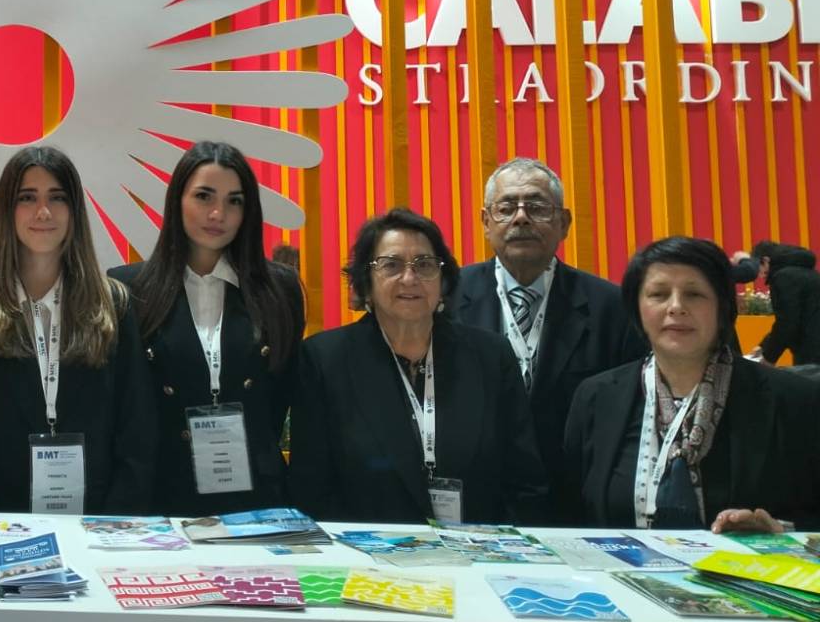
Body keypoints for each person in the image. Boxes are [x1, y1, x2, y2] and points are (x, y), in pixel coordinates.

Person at [287, 207, 549, 525]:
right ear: (366, 283)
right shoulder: (324, 360)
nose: (410, 278)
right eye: (391, 265)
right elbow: (312, 489)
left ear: (443, 281)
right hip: (368, 550)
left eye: (424, 265)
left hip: (478, 549)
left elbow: (524, 482)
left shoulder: (490, 357)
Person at [0, 145, 155, 514]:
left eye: (57, 197)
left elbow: (136, 431)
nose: (43, 211)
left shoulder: (114, 306)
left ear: (74, 211)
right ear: (7, 210)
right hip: (2, 524)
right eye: (27, 197)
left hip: (99, 523)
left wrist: (112, 525)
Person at [564, 236, 820, 531]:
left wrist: (783, 532)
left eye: (694, 294)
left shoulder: (794, 400)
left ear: (723, 306)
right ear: (636, 308)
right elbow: (571, 513)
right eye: (658, 294)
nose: (676, 307)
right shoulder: (596, 398)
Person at [109, 142, 303, 516]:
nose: (218, 214)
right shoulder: (128, 289)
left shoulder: (280, 288)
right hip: (161, 499)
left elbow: (279, 395)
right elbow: (125, 410)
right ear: (177, 200)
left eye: (235, 201)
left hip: (257, 500)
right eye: (203, 196)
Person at [446, 158, 644, 505]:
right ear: (486, 222)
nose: (521, 218)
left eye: (537, 207)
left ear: (564, 223)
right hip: (474, 498)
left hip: (574, 499)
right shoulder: (445, 298)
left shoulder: (613, 307)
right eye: (506, 208)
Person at [733, 241, 820, 367]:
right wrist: (763, 347)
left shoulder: (783, 277)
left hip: (812, 352)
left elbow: (787, 323)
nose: (759, 275)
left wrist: (769, 358)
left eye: (758, 267)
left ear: (765, 261)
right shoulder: (808, 273)